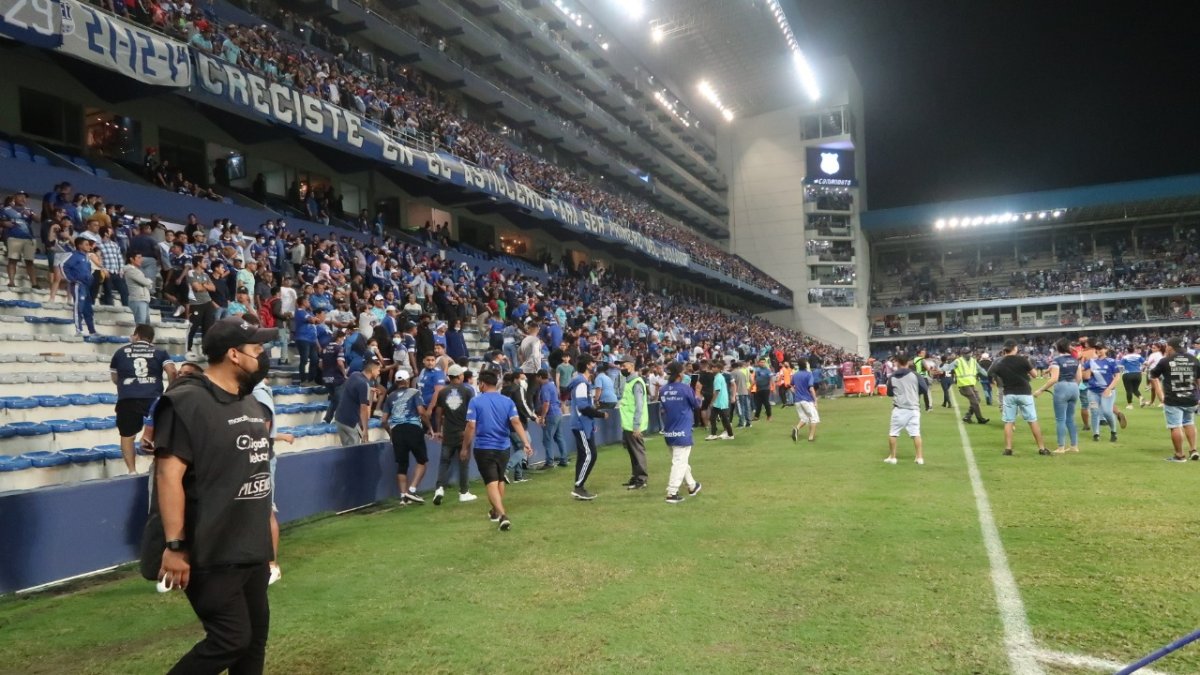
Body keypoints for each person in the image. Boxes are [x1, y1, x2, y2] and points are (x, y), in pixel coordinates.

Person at [153, 316, 277, 673]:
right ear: (234, 355)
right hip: (211, 547)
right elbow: (167, 475)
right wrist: (175, 545)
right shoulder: (187, 400)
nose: (263, 355)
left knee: (253, 643)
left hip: (249, 546)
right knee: (230, 639)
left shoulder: (249, 402)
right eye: (257, 349)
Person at [462, 369, 532, 531]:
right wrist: (525, 442)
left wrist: (465, 447)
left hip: (484, 447)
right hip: (503, 447)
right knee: (500, 479)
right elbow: (516, 422)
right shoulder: (507, 401)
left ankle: (502, 515)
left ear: (483, 384)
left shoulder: (476, 401)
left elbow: (471, 426)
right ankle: (495, 512)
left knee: (491, 482)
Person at [110, 324, 177, 473]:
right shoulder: (159, 352)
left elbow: (115, 377)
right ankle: (161, 469)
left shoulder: (120, 352)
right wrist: (169, 392)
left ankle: (132, 471)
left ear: (137, 335)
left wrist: (126, 386)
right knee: (162, 434)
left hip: (128, 398)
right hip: (154, 398)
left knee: (127, 436)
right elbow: (172, 372)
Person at [988, 340, 1049, 456]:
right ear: (1015, 348)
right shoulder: (1022, 360)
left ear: (1004, 349)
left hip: (1009, 393)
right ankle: (1041, 448)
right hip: (1024, 392)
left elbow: (989, 373)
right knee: (1032, 420)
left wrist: (999, 378)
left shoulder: (999, 362)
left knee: (1009, 421)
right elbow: (1035, 375)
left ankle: (1008, 448)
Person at [431, 364, 478, 504]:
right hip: (463, 432)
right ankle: (463, 492)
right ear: (460, 376)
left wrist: (439, 430)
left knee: (444, 462)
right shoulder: (468, 391)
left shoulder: (443, 392)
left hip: (448, 432)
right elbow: (473, 412)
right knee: (464, 462)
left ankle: (439, 488)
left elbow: (438, 413)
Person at [381, 369, 428, 504]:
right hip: (413, 428)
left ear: (396, 381)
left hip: (397, 431)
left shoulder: (390, 397)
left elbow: (384, 420)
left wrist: (391, 433)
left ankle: (403, 497)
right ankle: (411, 491)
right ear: (407, 381)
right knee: (422, 461)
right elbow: (421, 412)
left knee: (402, 465)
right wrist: (430, 427)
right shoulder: (414, 392)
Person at [659, 362, 703, 504]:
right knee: (679, 462)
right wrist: (697, 392)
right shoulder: (685, 389)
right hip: (682, 430)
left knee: (681, 461)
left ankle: (692, 485)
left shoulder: (663, 389)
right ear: (679, 374)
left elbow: (664, 408)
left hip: (669, 430)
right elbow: (697, 405)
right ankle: (672, 492)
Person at [1150, 337, 1200, 462]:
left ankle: (1179, 455)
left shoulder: (1165, 361)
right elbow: (1198, 380)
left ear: (1170, 347)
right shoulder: (1194, 359)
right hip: (1191, 398)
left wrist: (1160, 394)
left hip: (1173, 399)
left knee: (1175, 426)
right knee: (1189, 423)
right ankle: (1193, 450)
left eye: (1167, 345)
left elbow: (1152, 375)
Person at [567, 354, 608, 501]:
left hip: (584, 423)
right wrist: (599, 415)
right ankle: (579, 486)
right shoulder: (581, 383)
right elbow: (583, 407)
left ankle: (579, 486)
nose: (594, 365)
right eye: (592, 362)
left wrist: (592, 422)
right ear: (587, 365)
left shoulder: (583, 382)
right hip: (580, 424)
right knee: (591, 455)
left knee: (583, 455)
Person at [1034, 338, 1082, 455]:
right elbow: (1079, 378)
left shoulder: (1057, 360)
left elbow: (1054, 379)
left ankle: (1061, 447)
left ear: (1058, 348)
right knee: (1070, 418)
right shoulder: (1076, 360)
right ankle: (1074, 446)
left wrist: (1041, 390)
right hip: (1074, 387)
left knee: (1060, 419)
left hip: (1062, 387)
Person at [884, 353, 926, 465]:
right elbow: (924, 389)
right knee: (916, 433)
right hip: (913, 408)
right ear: (908, 362)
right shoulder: (915, 375)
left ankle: (892, 457)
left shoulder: (892, 377)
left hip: (899, 408)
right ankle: (919, 457)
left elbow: (889, 393)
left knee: (893, 433)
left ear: (897, 362)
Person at [617, 356, 650, 488]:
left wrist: (636, 426)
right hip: (628, 424)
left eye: (623, 365)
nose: (621, 368)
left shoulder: (636, 382)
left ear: (631, 365)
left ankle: (641, 479)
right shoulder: (629, 382)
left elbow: (639, 405)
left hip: (633, 425)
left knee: (637, 452)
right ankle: (636, 477)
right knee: (633, 452)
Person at [334, 358, 381, 446]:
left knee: (346, 450)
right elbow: (364, 410)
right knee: (354, 451)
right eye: (378, 370)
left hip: (339, 418)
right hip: (351, 422)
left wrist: (369, 389)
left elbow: (353, 387)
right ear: (372, 370)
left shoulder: (354, 375)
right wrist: (366, 431)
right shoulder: (365, 384)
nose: (379, 372)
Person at [1083, 341, 1120, 443]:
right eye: (1097, 349)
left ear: (1106, 349)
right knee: (1094, 412)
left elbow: (1117, 376)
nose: (1098, 350)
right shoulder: (1091, 361)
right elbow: (1081, 368)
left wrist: (1108, 389)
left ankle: (1113, 431)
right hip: (1093, 392)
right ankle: (1096, 434)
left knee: (1107, 412)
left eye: (1100, 348)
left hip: (1107, 392)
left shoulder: (1111, 361)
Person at [2, 191, 40, 289]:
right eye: (21, 196)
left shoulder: (29, 210)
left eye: (25, 197)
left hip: (28, 238)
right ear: (15, 197)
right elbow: (1, 221)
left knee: (29, 261)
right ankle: (11, 282)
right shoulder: (6, 209)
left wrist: (31, 215)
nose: (23, 199)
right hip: (14, 237)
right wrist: (4, 224)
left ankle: (34, 283)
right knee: (12, 260)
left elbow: (38, 220)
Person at [536, 369, 569, 468]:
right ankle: (564, 459)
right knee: (559, 437)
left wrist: (542, 417)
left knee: (547, 439)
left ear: (540, 377)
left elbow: (546, 403)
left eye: (537, 377)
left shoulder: (545, 387)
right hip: (558, 413)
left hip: (551, 415)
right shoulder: (552, 385)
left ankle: (549, 462)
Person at [63, 236, 97, 335]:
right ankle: (78, 330)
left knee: (88, 309)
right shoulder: (74, 256)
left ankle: (92, 331)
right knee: (79, 307)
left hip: (86, 286)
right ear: (79, 245)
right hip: (79, 285)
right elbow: (63, 266)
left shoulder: (86, 257)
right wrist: (72, 279)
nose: (89, 246)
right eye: (86, 244)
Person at [945, 347, 988, 424]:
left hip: (971, 385)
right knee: (975, 402)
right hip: (963, 385)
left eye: (969, 352)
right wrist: (939, 369)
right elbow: (948, 367)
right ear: (962, 354)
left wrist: (989, 374)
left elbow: (980, 369)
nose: (969, 354)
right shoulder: (958, 361)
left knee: (977, 400)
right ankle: (980, 419)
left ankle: (967, 417)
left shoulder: (973, 361)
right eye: (966, 353)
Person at [320, 329, 348, 424]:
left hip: (326, 378)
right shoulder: (339, 348)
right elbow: (340, 363)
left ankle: (327, 419)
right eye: (343, 338)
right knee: (340, 400)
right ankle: (338, 419)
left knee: (334, 399)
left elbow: (320, 365)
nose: (343, 339)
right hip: (337, 378)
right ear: (339, 338)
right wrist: (344, 374)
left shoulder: (324, 348)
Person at [790, 357, 819, 443]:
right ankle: (811, 437)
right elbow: (811, 388)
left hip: (797, 400)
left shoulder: (795, 375)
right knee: (814, 418)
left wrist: (796, 393)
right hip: (807, 400)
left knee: (805, 418)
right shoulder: (809, 374)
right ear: (806, 365)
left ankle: (796, 428)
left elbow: (791, 386)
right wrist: (815, 400)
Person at [704, 360, 734, 441]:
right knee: (712, 418)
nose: (713, 369)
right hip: (719, 401)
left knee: (724, 419)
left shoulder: (718, 378)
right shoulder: (718, 376)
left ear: (719, 369)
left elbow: (717, 391)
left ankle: (730, 435)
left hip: (720, 401)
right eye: (712, 367)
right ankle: (713, 434)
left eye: (715, 367)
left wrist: (712, 402)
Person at [123, 251, 154, 326]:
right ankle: (138, 338)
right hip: (138, 299)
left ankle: (143, 338)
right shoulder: (130, 270)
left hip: (143, 299)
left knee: (146, 325)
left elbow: (149, 285)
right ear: (131, 259)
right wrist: (148, 281)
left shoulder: (137, 271)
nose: (141, 260)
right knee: (141, 324)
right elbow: (146, 282)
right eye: (139, 258)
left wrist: (147, 282)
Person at [751, 357, 773, 422]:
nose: (762, 363)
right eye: (761, 362)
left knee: (766, 403)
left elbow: (771, 378)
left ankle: (769, 416)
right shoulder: (756, 370)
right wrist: (751, 387)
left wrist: (772, 386)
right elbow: (754, 379)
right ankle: (756, 416)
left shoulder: (768, 370)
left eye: (764, 362)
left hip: (766, 389)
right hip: (758, 389)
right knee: (758, 404)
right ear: (758, 363)